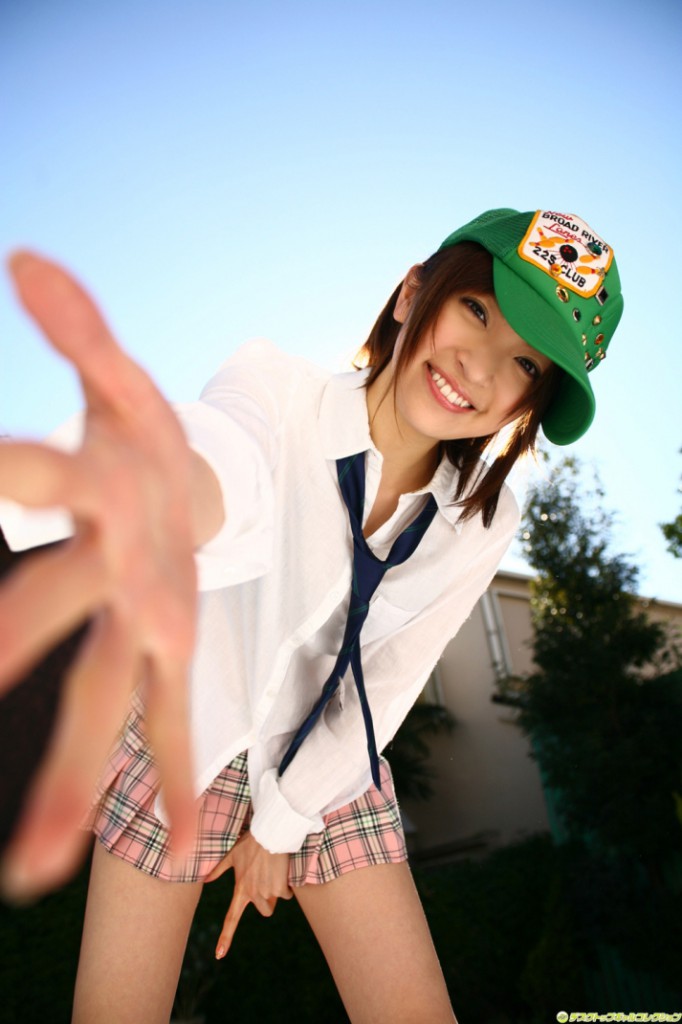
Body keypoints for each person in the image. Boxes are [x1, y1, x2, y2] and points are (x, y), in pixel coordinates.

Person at [0, 208, 623, 1023]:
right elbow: (220, 456)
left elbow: (387, 682)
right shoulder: (276, 388)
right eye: (476, 309)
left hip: (330, 759)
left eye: (525, 363)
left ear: (529, 402)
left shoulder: (480, 521)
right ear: (413, 293)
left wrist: (281, 824)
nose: (478, 366)